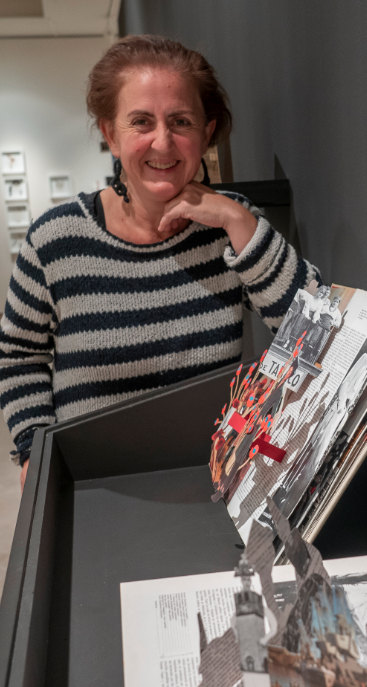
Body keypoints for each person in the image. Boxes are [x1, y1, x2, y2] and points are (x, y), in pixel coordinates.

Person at [0, 35, 321, 490]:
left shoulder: (231, 227)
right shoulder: (54, 241)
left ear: (206, 133)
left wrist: (237, 219)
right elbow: (19, 356)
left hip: (213, 484)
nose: (163, 142)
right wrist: (35, 447)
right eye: (141, 122)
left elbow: (317, 333)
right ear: (111, 135)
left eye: (181, 121)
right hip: (92, 486)